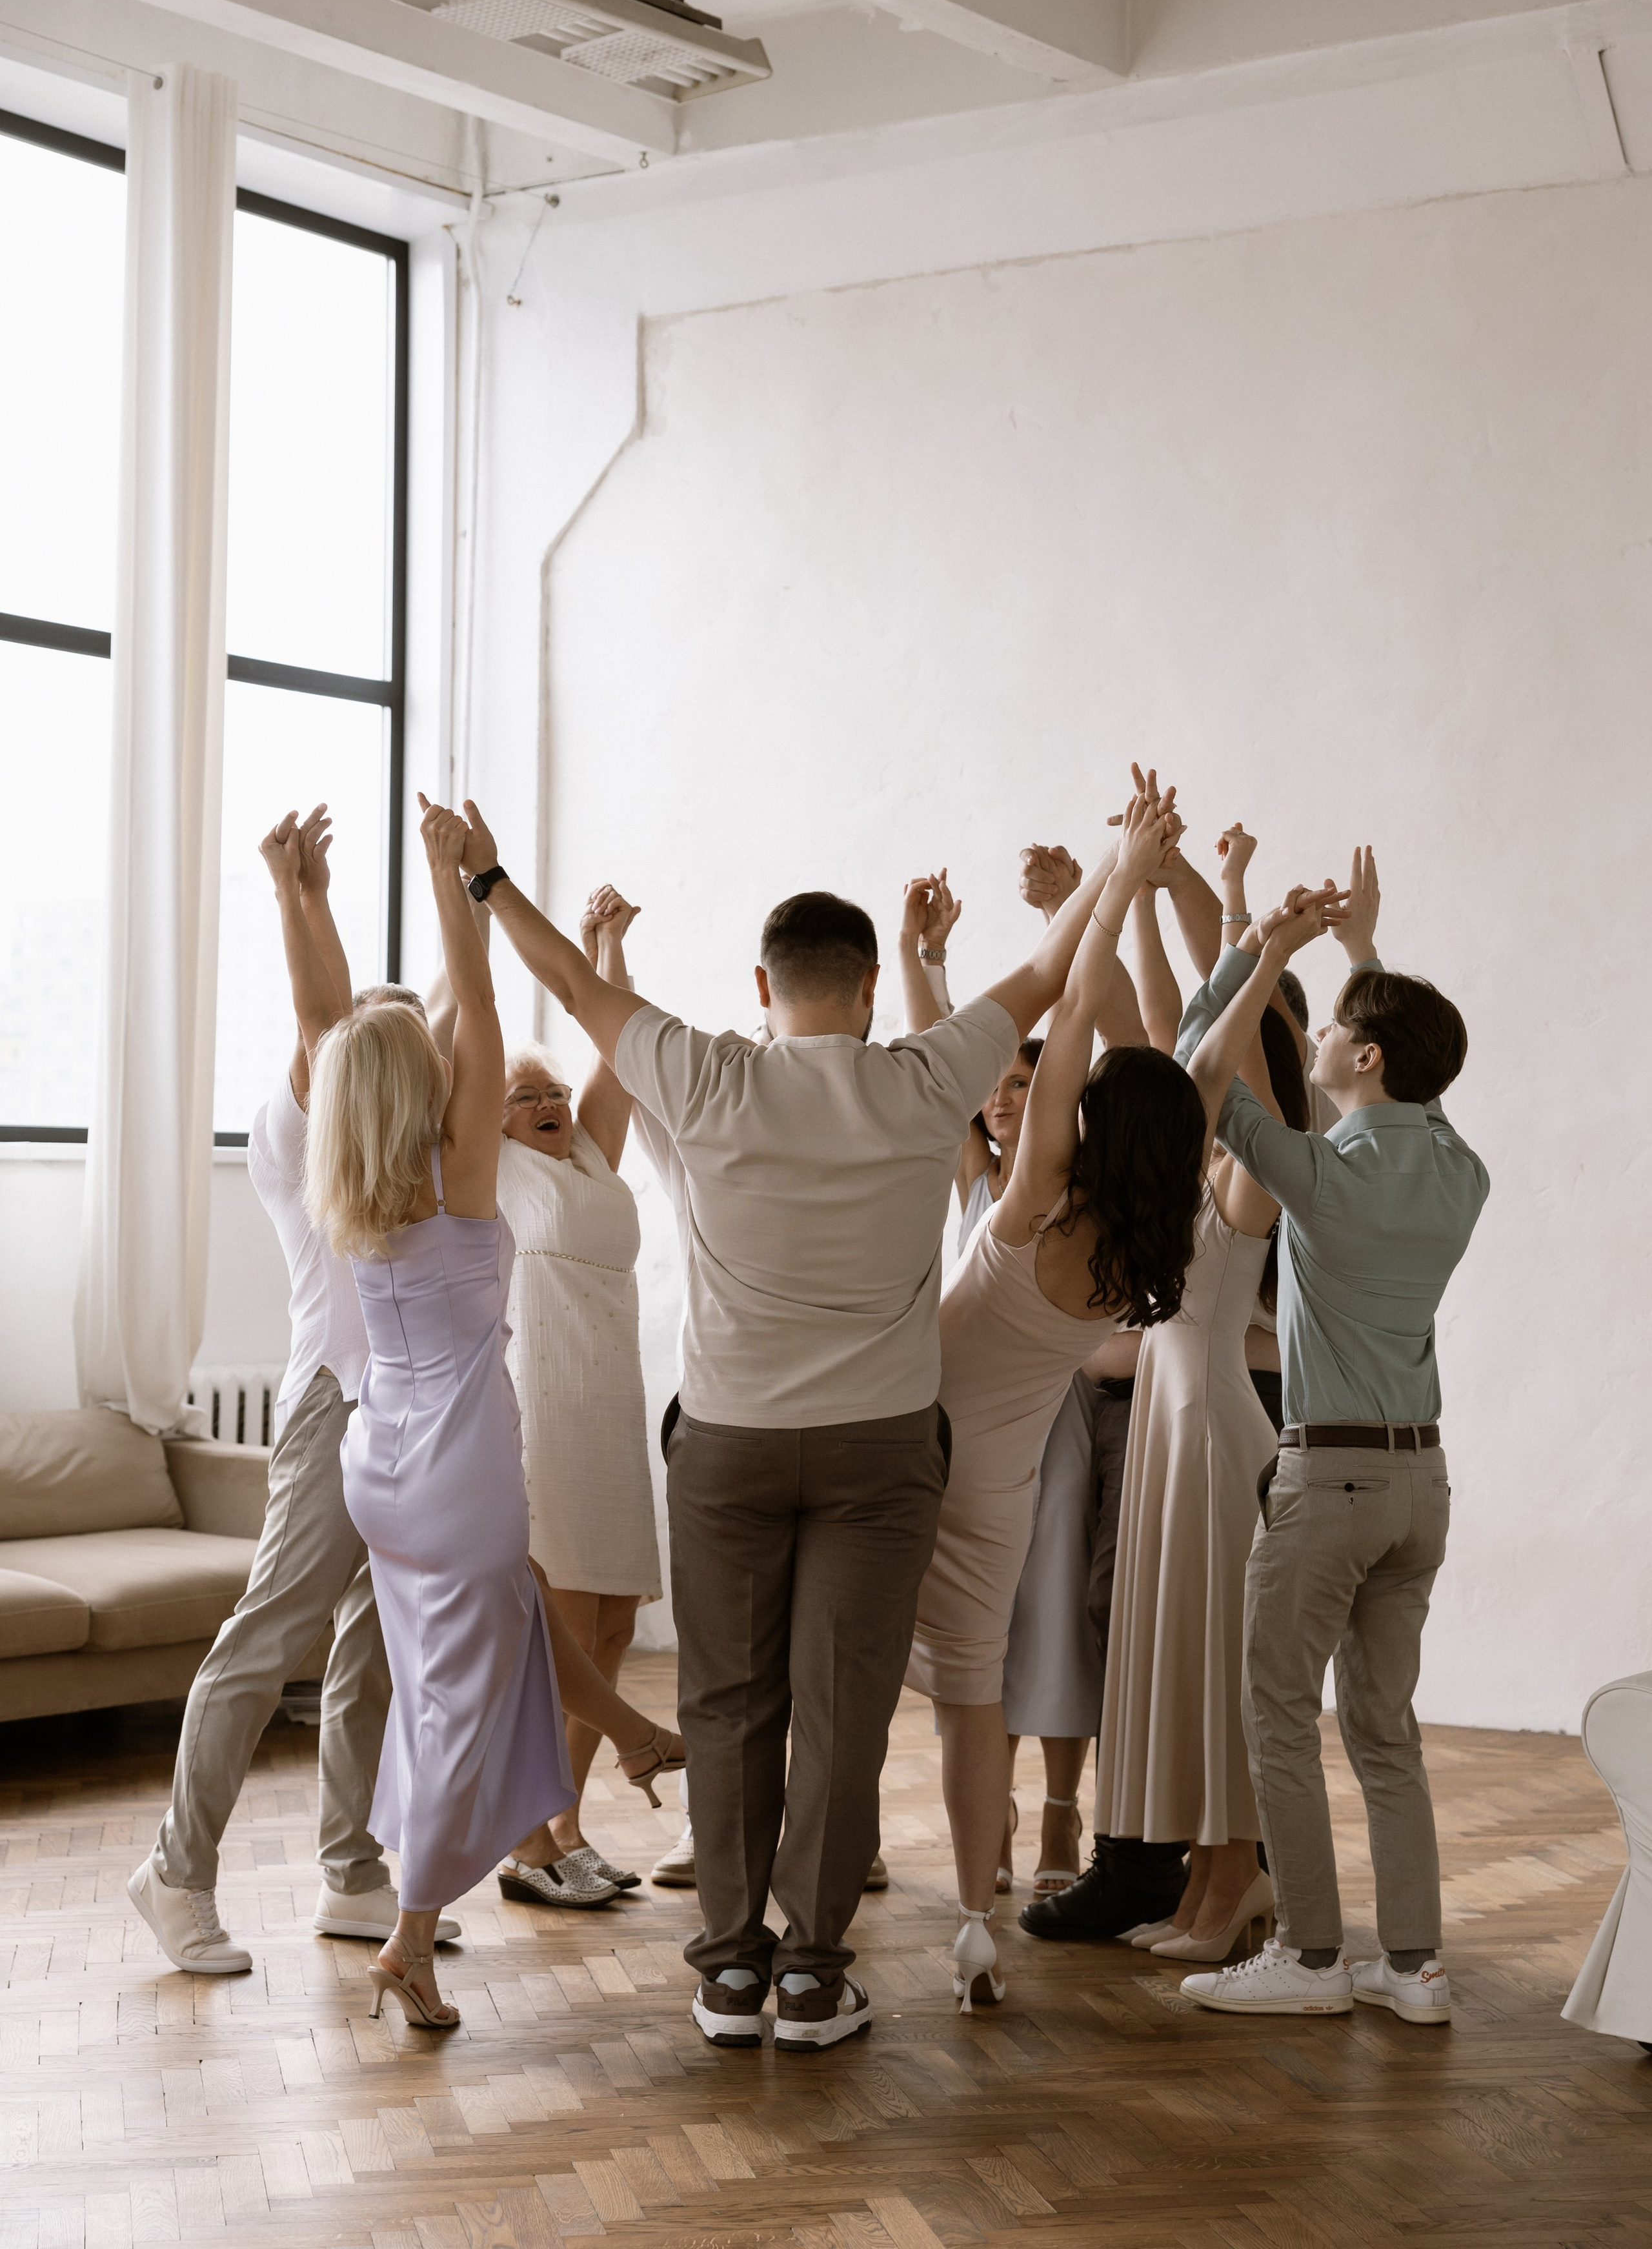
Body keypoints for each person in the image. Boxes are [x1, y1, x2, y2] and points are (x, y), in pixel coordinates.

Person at [458, 796, 1131, 2053]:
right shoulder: (924, 1076)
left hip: (728, 1448)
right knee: (841, 1712)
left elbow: (559, 971)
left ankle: (727, 1975)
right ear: (871, 987)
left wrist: (488, 876)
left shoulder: (703, 1070)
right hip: (882, 1450)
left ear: (761, 984)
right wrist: (1119, 860)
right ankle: (814, 1978)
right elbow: (1048, 972)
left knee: (726, 1705)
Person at [306, 799, 683, 2027]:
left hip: (383, 1464)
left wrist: (308, 906)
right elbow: (478, 1005)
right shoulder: (455, 1171)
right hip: (461, 1457)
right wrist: (453, 880)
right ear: (420, 1081)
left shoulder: (353, 1168)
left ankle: (629, 1732)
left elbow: (338, 1030)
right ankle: (411, 1937)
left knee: (491, 1630)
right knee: (462, 1701)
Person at [903, 794, 1207, 2010]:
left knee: (863, 1678)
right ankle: (976, 1926)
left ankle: (795, 1896)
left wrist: (1119, 879)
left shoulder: (1032, 1199)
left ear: (1089, 1120)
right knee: (972, 1701)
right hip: (1001, 1481)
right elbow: (1169, 1063)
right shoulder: (1144, 1236)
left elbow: (1072, 1013)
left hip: (912, 1449)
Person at [1174, 851, 1487, 2022]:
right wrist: (1362, 956)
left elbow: (1206, 1060)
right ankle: (1414, 1970)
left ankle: (1310, 1960)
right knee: (1384, 1732)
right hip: (1422, 1489)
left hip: (1328, 1479)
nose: (1315, 1043)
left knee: (1277, 1714)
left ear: (1361, 1056)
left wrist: (1268, 952)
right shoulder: (1461, 1170)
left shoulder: (1314, 1171)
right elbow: (1422, 1087)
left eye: (1337, 1033)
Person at [128, 806, 435, 1976]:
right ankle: (176, 1872)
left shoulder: (410, 1154)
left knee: (375, 1648)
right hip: (333, 1405)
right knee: (267, 1641)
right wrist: (296, 895)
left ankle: (354, 1872)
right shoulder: (303, 1121)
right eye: (388, 1041)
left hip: (407, 1415)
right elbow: (325, 1018)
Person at [1096, 957, 1311, 1966]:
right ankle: (1207, 1876)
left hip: (1218, 1433)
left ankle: (1236, 1878)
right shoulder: (1191, 1170)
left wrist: (1260, 954)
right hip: (1167, 1430)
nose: (1201, 1069)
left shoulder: (1259, 1173)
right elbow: (1172, 1034)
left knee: (1225, 1666)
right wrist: (1138, 895)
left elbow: (1238, 1064)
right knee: (1189, 1660)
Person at [492, 884, 661, 1904]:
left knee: (610, 1632)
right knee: (558, 1636)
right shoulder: (494, 1172)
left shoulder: (589, 1152)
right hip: (543, 1408)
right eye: (526, 1095)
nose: (549, 1102)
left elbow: (620, 1052)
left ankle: (566, 1827)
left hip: (610, 1403)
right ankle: (524, 1840)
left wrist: (605, 948)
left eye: (551, 1089)